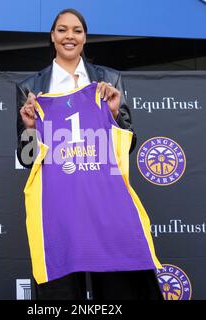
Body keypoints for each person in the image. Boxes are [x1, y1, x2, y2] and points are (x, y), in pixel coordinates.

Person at [16, 8, 163, 300]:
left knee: (120, 291)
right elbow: (27, 157)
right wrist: (30, 129)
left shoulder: (109, 80)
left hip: (106, 203)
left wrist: (111, 115)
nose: (69, 36)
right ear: (52, 36)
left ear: (85, 38)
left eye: (77, 30)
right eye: (62, 29)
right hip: (58, 209)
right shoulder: (30, 88)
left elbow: (128, 144)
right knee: (61, 295)